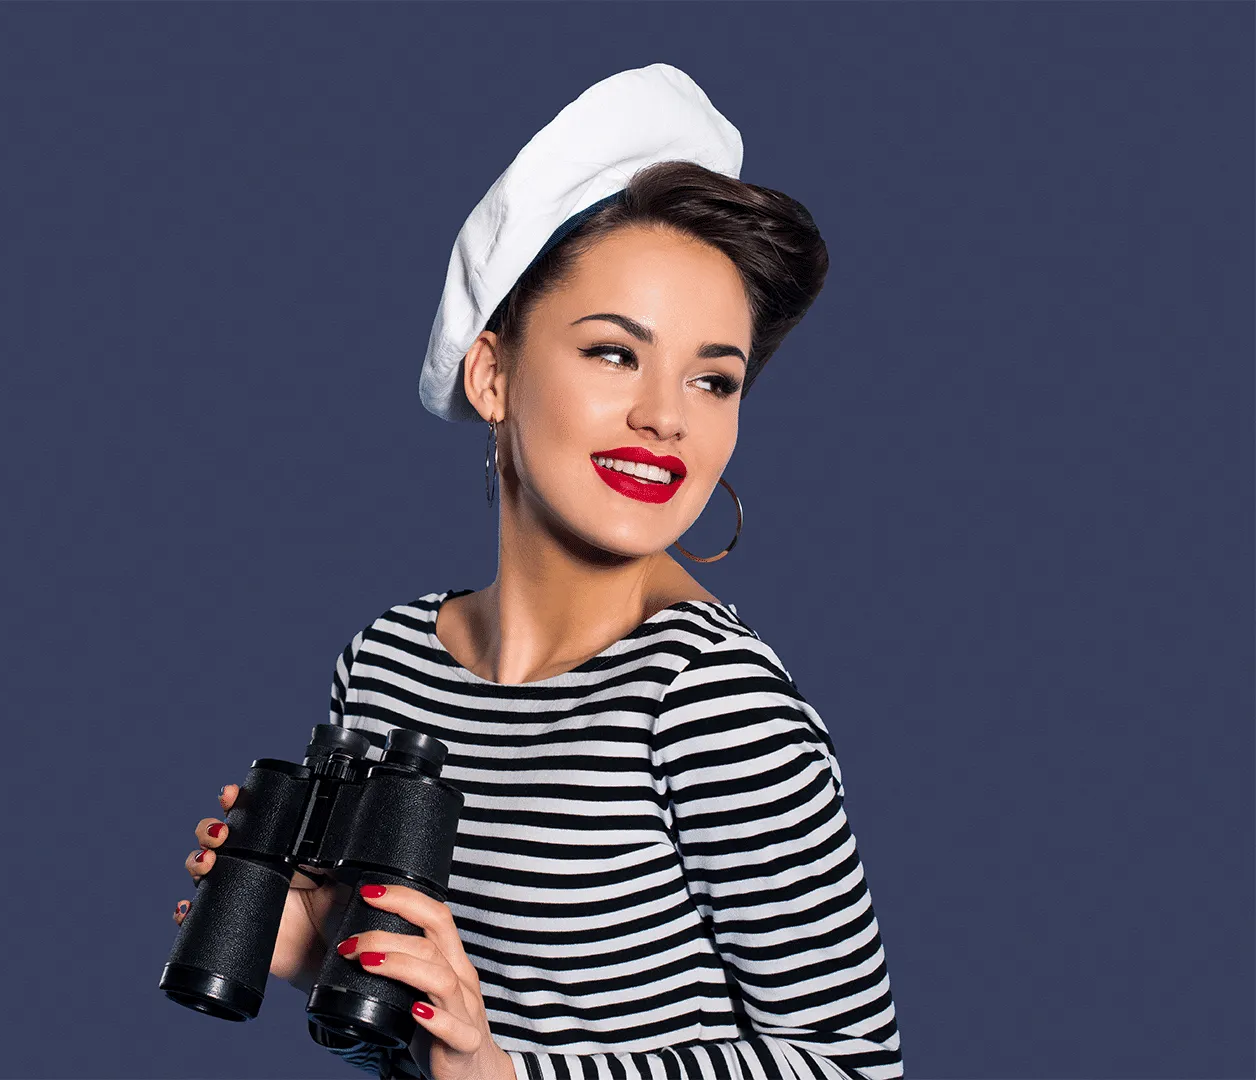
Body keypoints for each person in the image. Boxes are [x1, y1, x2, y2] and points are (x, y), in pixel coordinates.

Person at [173, 64, 902, 1080]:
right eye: (615, 353)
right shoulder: (385, 664)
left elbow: (852, 1066)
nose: (667, 415)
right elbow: (431, 1035)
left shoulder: (711, 705)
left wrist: (513, 1076)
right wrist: (318, 949)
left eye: (714, 376)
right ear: (494, 373)